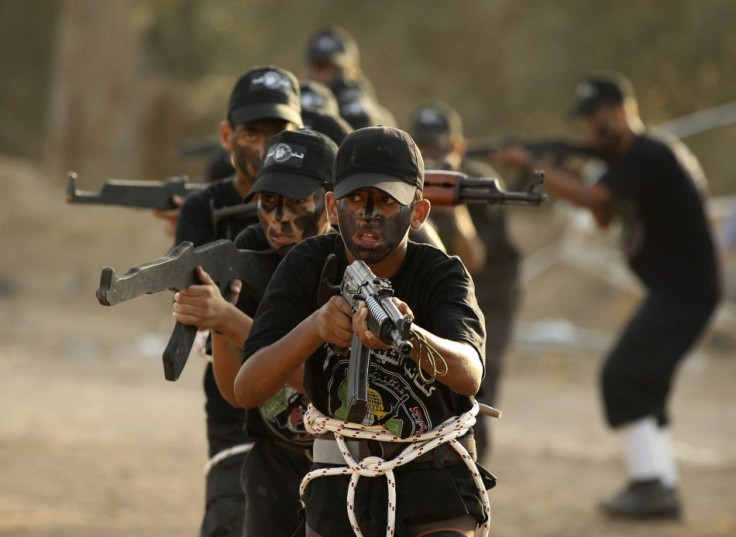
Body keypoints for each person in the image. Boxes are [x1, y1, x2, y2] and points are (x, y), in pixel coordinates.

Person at [235, 126, 495, 537]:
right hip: (340, 472)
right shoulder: (309, 264)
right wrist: (317, 327)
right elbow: (247, 388)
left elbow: (470, 373)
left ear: (420, 212)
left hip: (435, 471)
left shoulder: (441, 272)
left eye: (387, 201)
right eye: (355, 199)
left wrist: (411, 338)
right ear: (332, 208)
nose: (369, 214)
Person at [493, 73, 721, 520]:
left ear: (620, 112)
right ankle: (657, 484)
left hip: (685, 293)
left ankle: (651, 485)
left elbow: (593, 196)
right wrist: (569, 175)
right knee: (643, 381)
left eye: (597, 118)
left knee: (623, 375)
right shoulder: (631, 161)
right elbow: (602, 215)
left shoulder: (649, 154)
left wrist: (535, 165)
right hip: (676, 292)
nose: (590, 130)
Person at [173, 128, 339, 537]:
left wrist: (229, 319)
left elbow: (330, 386)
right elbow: (234, 391)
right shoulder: (250, 249)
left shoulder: (348, 264)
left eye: (297, 203)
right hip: (274, 459)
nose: (279, 219)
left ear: (331, 205)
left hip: (342, 462)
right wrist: (217, 321)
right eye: (268, 203)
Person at [175, 65, 302, 537]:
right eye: (253, 133)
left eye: (280, 132)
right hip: (237, 412)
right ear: (227, 136)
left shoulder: (326, 216)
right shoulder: (204, 210)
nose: (266, 146)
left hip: (321, 411)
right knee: (231, 519)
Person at [410, 102, 521, 464]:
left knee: (475, 387)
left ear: (456, 146)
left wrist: (452, 207)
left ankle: (471, 474)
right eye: (422, 149)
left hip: (491, 297)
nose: (431, 158)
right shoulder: (406, 181)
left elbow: (475, 261)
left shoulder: (476, 184)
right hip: (438, 297)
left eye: (437, 149)